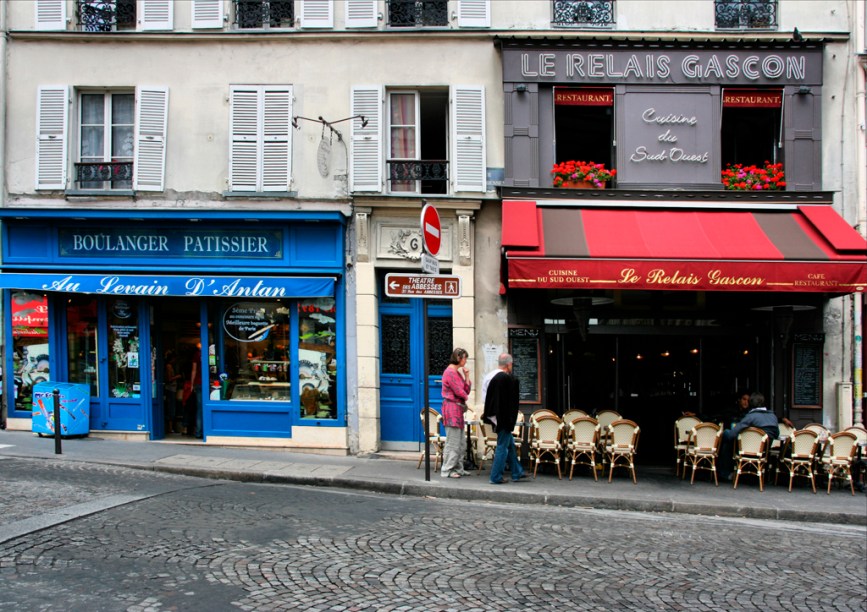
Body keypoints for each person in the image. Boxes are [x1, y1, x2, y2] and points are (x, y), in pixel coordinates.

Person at [482, 353, 527, 485]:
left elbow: (487, 398)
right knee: (503, 446)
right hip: (504, 418)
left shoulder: (492, 377)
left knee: (509, 444)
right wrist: (509, 421)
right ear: (509, 364)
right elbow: (510, 403)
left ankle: (517, 471)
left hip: (496, 416)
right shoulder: (507, 379)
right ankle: (495, 476)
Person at [719, 391, 779, 480]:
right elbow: (777, 434)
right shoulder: (773, 417)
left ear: (751, 403)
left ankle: (723, 472)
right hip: (764, 451)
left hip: (747, 449)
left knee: (727, 434)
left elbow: (733, 434)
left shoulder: (750, 417)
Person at [440, 348, 472, 478]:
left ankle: (458, 468)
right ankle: (447, 470)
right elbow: (461, 391)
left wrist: (467, 376)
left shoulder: (457, 373)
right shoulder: (450, 372)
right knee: (453, 442)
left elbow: (466, 390)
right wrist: (465, 396)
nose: (465, 361)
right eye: (465, 358)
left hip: (457, 409)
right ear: (459, 358)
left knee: (461, 443)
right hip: (452, 409)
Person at [163, 350, 182, 434]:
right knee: (171, 408)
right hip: (170, 389)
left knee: (172, 407)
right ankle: (170, 428)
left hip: (172, 389)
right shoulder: (169, 366)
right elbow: (169, 379)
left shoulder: (169, 366)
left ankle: (171, 428)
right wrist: (178, 376)